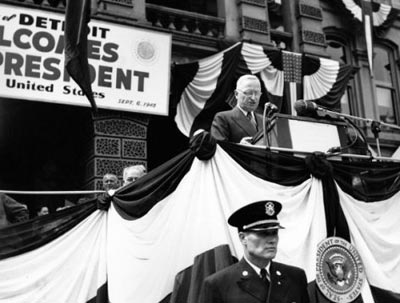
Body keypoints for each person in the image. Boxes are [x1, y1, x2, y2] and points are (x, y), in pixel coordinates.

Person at [199, 200, 309, 303]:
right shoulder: (219, 284)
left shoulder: (295, 277)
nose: (272, 240)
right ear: (243, 238)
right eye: (263, 233)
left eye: (274, 232)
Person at [211, 74, 263, 143]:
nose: (253, 98)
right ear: (236, 94)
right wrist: (239, 146)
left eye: (257, 93)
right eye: (249, 93)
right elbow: (219, 148)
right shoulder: (223, 118)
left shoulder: (266, 121)